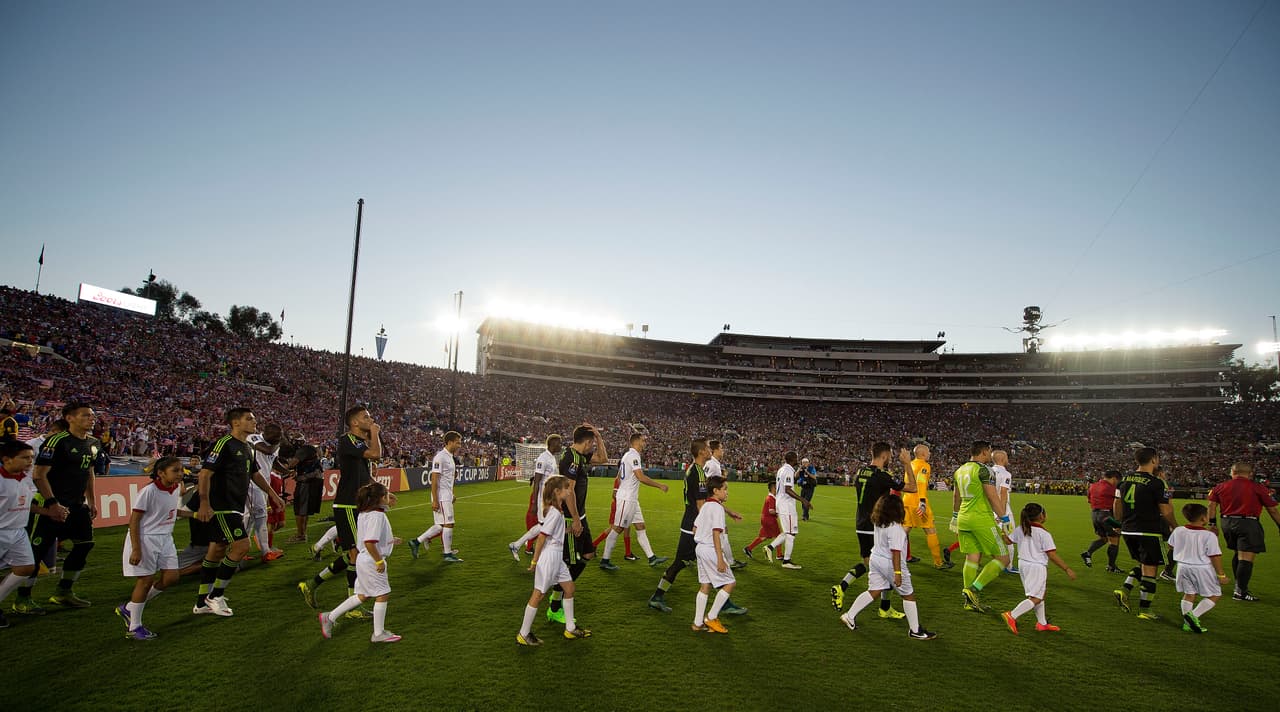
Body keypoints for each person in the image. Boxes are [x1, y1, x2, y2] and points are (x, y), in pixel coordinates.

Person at [191, 408, 284, 617]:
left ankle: (201, 602)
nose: (254, 422)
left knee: (216, 551)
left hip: (235, 505)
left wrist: (273, 495)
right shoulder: (224, 444)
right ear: (235, 423)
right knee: (242, 545)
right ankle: (215, 596)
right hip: (222, 506)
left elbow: (255, 474)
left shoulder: (249, 447)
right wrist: (204, 503)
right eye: (249, 419)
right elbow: (205, 474)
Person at [16, 402, 102, 612]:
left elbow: (89, 472)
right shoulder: (57, 441)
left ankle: (63, 591)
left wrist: (91, 500)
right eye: (85, 415)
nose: (91, 419)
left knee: (85, 544)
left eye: (92, 415)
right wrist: (53, 504)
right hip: (49, 504)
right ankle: (22, 599)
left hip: (76, 505)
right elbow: (39, 475)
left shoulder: (94, 443)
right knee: (36, 552)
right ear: (69, 418)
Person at [648, 438, 745, 616]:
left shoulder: (693, 470)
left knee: (694, 563)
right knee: (708, 560)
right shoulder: (699, 474)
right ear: (701, 452)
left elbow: (707, 501)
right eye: (708, 448)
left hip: (691, 524)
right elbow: (702, 505)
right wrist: (710, 527)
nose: (710, 450)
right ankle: (657, 596)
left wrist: (728, 512)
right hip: (694, 526)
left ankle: (724, 603)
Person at [300, 406, 380, 613]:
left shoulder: (358, 442)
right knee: (356, 555)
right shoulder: (347, 440)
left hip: (357, 504)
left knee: (354, 553)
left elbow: (363, 473)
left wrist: (380, 490)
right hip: (347, 505)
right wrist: (375, 432)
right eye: (366, 417)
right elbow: (375, 453)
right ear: (354, 423)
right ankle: (352, 607)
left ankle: (313, 583)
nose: (370, 419)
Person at [838, 493, 938, 640]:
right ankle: (915, 630)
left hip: (876, 559)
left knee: (874, 591)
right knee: (908, 595)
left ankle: (849, 616)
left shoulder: (880, 522)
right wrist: (897, 572)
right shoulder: (896, 528)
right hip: (890, 563)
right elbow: (896, 552)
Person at [831, 443, 915, 617]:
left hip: (861, 524)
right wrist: (907, 463)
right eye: (890, 456)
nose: (891, 459)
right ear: (884, 456)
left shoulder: (861, 472)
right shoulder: (882, 475)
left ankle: (884, 607)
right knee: (885, 566)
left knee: (872, 564)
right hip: (876, 526)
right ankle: (844, 588)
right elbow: (912, 487)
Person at [319, 482, 402, 643]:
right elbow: (370, 542)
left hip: (363, 559)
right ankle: (378, 634)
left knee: (362, 595)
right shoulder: (377, 516)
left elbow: (368, 539)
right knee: (382, 593)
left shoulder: (365, 513)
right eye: (386, 495)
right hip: (371, 560)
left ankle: (329, 617)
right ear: (380, 498)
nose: (389, 497)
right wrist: (379, 561)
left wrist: (390, 541)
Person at [115, 457, 187, 639]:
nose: (180, 474)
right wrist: (136, 548)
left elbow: (169, 511)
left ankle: (130, 607)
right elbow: (134, 521)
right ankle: (134, 627)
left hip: (165, 538)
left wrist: (194, 514)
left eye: (181, 470)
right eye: (175, 470)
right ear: (161, 473)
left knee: (171, 577)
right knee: (145, 581)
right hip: (146, 538)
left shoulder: (176, 488)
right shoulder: (149, 491)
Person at [517, 475, 590, 645]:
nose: (569, 490)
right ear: (557, 492)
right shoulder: (555, 513)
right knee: (539, 594)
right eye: (567, 488)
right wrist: (535, 561)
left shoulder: (556, 511)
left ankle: (570, 628)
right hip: (550, 557)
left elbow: (551, 534)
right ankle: (523, 634)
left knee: (570, 588)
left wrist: (568, 530)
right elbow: (542, 537)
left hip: (556, 557)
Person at [546, 424, 608, 623]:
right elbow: (568, 492)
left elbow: (604, 459)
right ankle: (555, 605)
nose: (593, 446)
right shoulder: (571, 458)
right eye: (592, 442)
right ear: (586, 442)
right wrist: (574, 520)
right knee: (569, 563)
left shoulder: (581, 457)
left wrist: (598, 436)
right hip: (570, 517)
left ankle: (558, 594)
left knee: (588, 554)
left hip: (580, 515)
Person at [1113, 447, 1176, 621]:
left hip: (1128, 530)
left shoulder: (1124, 480)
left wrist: (1119, 523)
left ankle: (1124, 589)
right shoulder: (1157, 482)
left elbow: (1117, 504)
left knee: (1144, 564)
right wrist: (1175, 526)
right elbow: (1165, 510)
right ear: (1154, 459)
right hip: (1149, 530)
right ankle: (1145, 610)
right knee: (1150, 570)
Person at [0, 440, 56, 629]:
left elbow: (25, 504)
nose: (29, 462)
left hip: (18, 531)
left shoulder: (25, 478)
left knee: (25, 568)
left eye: (31, 458)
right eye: (24, 458)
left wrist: (48, 512)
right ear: (6, 459)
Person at [998, 503, 1076, 635]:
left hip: (1023, 565)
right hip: (1036, 567)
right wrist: (1067, 569)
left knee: (1040, 594)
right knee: (1036, 598)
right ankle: (1012, 615)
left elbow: (1008, 541)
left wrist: (1001, 531)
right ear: (1041, 516)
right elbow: (1051, 555)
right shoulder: (1043, 534)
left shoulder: (1021, 529)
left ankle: (1042, 623)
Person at [952, 440, 1011, 613]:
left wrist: (955, 517)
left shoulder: (959, 470)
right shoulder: (985, 470)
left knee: (972, 557)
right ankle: (973, 590)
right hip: (981, 519)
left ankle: (969, 601)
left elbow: (956, 497)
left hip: (963, 518)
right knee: (1003, 558)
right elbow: (993, 497)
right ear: (984, 452)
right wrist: (1005, 519)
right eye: (989, 451)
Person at [1207, 462, 1280, 602]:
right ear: (1250, 473)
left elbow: (1211, 504)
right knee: (1246, 558)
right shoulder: (1258, 487)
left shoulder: (1221, 486)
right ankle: (1241, 591)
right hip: (1248, 522)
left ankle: (1238, 586)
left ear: (1233, 472)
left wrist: (1212, 524)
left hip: (1226, 523)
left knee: (1238, 553)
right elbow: (1272, 509)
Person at [599, 433, 668, 570]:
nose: (645, 443)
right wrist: (660, 485)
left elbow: (619, 475)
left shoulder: (626, 455)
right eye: (643, 441)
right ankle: (605, 560)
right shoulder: (634, 455)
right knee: (617, 528)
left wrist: (619, 488)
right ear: (636, 442)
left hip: (631, 499)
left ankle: (652, 558)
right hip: (627, 498)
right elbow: (640, 477)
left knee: (640, 526)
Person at [1167, 502, 1229, 633]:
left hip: (1182, 567)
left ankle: (1187, 623)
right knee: (1215, 594)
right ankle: (1193, 616)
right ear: (1203, 518)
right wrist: (1221, 575)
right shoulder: (1209, 535)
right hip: (1201, 568)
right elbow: (1215, 556)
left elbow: (1171, 546)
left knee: (1189, 594)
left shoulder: (1178, 530)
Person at [410, 431, 464, 563]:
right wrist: (435, 499)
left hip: (446, 495)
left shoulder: (449, 457)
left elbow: (448, 479)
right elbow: (434, 479)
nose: (459, 445)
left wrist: (452, 494)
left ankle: (416, 542)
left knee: (440, 525)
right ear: (450, 442)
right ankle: (447, 554)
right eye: (458, 442)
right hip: (441, 497)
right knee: (449, 523)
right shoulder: (440, 457)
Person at [692, 475, 735, 634]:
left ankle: (697, 623)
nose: (727, 492)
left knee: (705, 585)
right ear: (716, 491)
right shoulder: (716, 507)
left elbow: (694, 528)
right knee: (730, 582)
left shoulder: (706, 506)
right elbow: (716, 533)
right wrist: (719, 558)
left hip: (700, 549)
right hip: (710, 549)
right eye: (725, 489)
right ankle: (711, 617)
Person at [509, 434, 562, 560]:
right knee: (545, 525)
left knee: (545, 525)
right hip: (543, 498)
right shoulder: (543, 458)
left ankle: (517, 545)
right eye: (559, 443)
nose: (561, 445)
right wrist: (534, 502)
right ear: (553, 444)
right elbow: (537, 481)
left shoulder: (552, 458)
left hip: (550, 497)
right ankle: (524, 547)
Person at [903, 444, 950, 569]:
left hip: (907, 500)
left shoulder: (911, 464)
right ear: (923, 454)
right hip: (918, 501)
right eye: (928, 452)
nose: (929, 454)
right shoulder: (924, 465)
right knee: (930, 530)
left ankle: (888, 557)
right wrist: (922, 501)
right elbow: (921, 483)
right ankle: (938, 562)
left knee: (903, 531)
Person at [245, 423, 285, 561]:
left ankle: (243, 550)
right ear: (266, 433)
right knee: (260, 516)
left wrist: (288, 471)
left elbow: (273, 461)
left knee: (251, 518)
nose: (278, 438)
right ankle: (265, 551)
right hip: (252, 483)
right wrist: (279, 442)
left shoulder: (274, 446)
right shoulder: (254, 438)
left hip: (263, 485)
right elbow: (267, 451)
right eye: (276, 436)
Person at [767, 451, 813, 569]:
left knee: (789, 532)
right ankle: (786, 561)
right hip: (786, 505)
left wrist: (800, 470)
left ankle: (770, 547)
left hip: (782, 503)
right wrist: (803, 500)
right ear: (792, 459)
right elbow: (788, 489)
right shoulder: (787, 470)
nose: (797, 459)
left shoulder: (783, 469)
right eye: (796, 458)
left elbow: (790, 480)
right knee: (791, 533)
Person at [705, 440, 746, 569]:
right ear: (714, 450)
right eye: (721, 448)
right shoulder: (713, 465)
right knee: (721, 531)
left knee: (707, 531)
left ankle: (691, 556)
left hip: (709, 503)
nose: (723, 451)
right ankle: (730, 561)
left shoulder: (711, 463)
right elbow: (709, 485)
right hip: (712, 502)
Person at [284, 433, 324, 544]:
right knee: (305, 509)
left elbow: (292, 464)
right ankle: (302, 533)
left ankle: (300, 535)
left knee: (300, 508)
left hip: (307, 481)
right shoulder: (309, 449)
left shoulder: (304, 449)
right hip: (313, 479)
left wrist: (280, 466)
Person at [1081, 471, 1122, 572]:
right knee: (1114, 540)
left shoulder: (1093, 486)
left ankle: (1088, 553)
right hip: (1107, 515)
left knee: (1104, 538)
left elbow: (1089, 500)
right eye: (1117, 481)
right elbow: (1118, 502)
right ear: (1114, 478)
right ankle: (1111, 566)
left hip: (1094, 514)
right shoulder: (1112, 488)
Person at [589, 475, 634, 561]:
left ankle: (628, 553)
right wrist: (622, 502)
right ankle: (593, 545)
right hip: (619, 506)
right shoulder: (619, 478)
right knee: (614, 528)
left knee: (627, 526)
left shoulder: (626, 478)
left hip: (624, 505)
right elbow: (614, 495)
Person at [990, 450, 1018, 574]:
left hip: (989, 509)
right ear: (1002, 459)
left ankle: (995, 561)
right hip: (1003, 510)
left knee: (993, 537)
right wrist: (1001, 514)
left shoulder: (988, 471)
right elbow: (1003, 493)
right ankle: (1008, 566)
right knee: (1009, 538)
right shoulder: (1005, 474)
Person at [742, 481, 779, 559]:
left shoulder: (769, 497)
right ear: (773, 488)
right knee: (779, 536)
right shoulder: (771, 498)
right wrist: (780, 512)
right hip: (770, 520)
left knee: (763, 537)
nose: (778, 489)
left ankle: (748, 548)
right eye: (776, 487)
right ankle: (779, 555)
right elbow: (771, 511)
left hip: (764, 519)